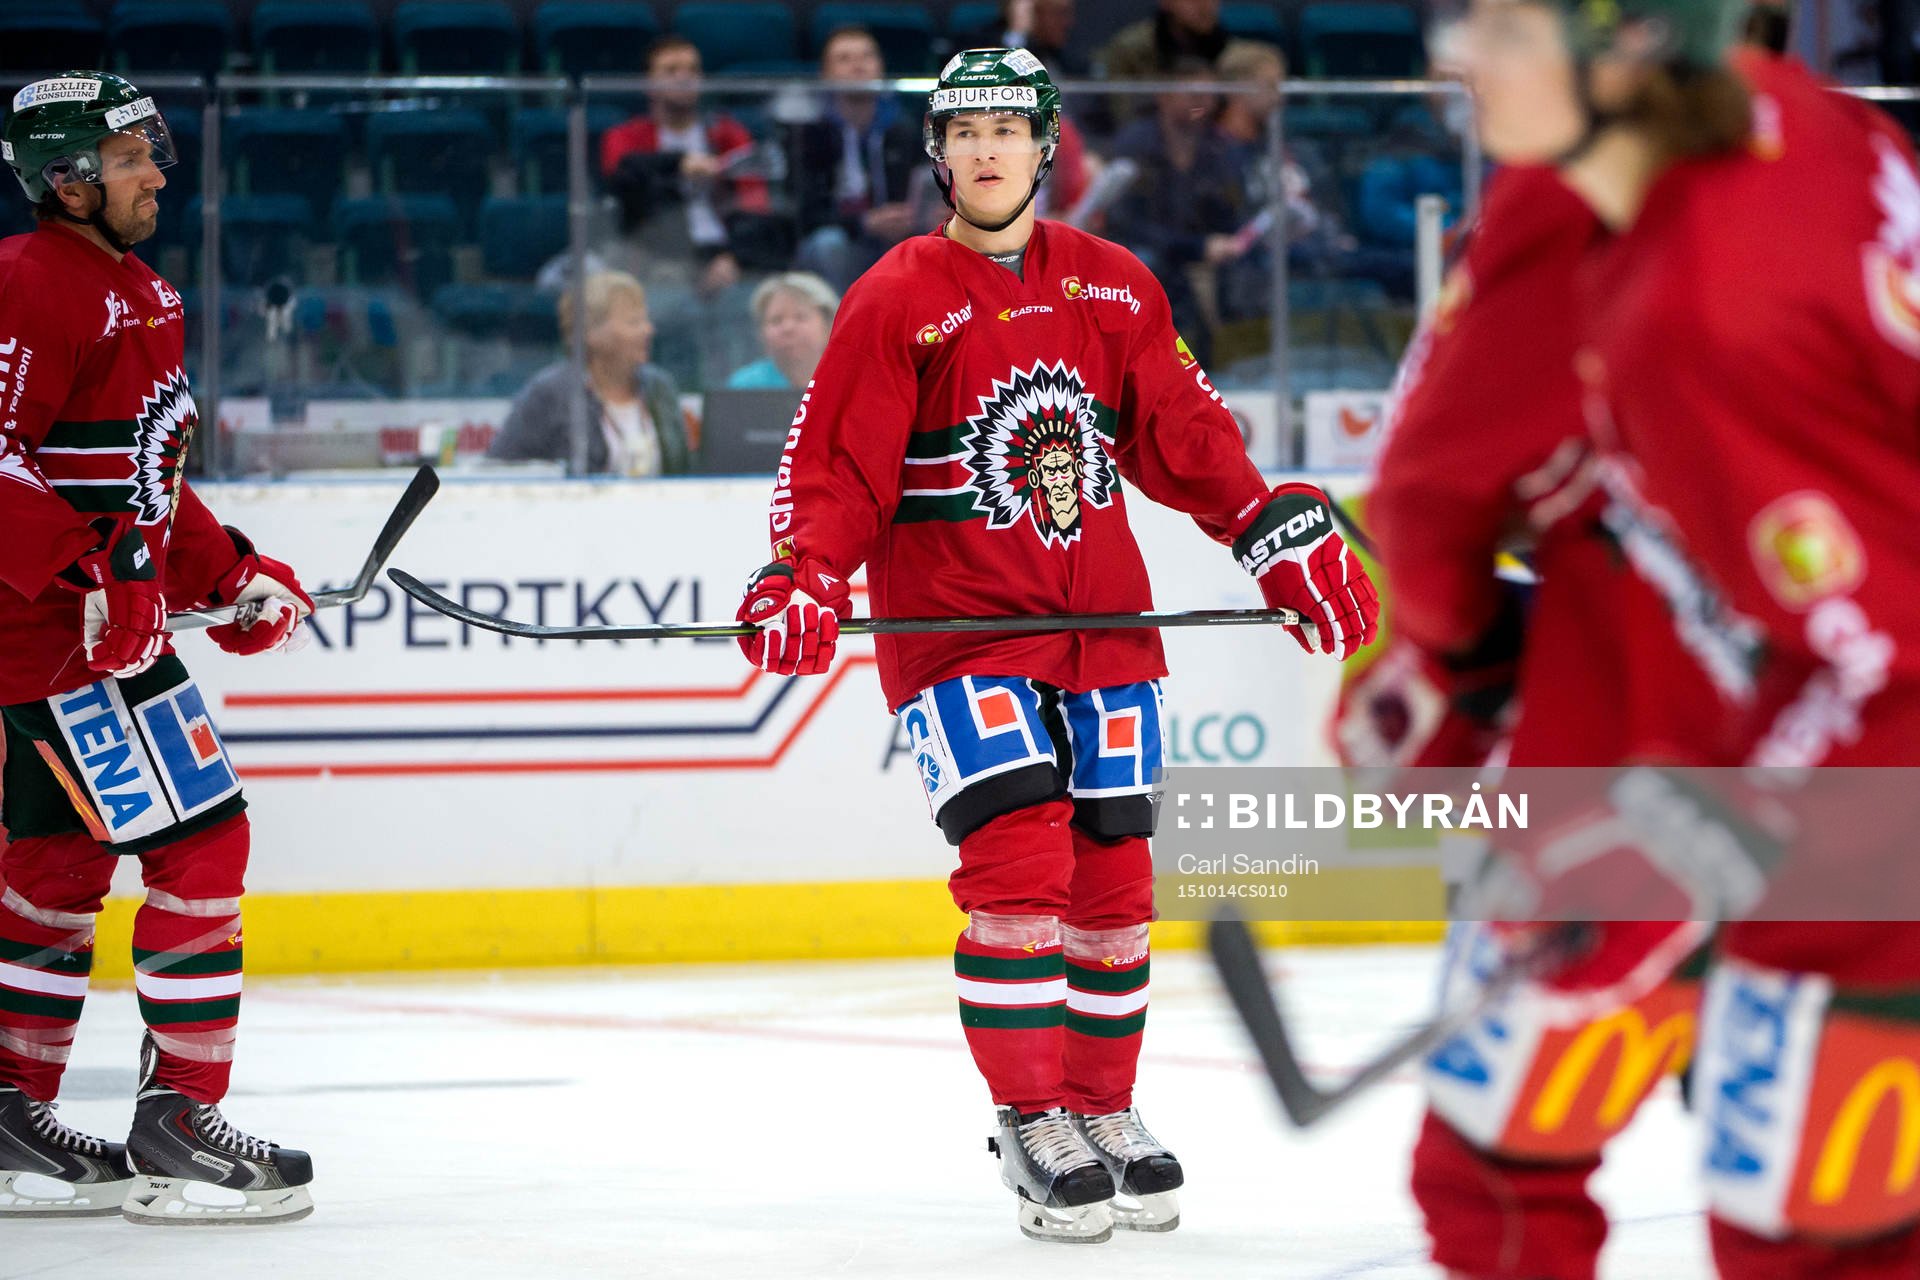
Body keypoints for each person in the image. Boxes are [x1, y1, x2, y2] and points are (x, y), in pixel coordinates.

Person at [730, 48, 1378, 1244]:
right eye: (963, 129)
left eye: (1006, 129)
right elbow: (836, 468)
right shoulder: (895, 294)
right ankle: (1033, 1115)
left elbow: (1183, 430)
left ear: (1045, 146)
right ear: (939, 153)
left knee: (1116, 885)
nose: (985, 149)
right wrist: (804, 573)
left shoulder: (1115, 285)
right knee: (1020, 876)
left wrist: (1266, 526)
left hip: (1106, 633)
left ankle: (1102, 1105)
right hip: (961, 634)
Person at [1416, 0, 1920, 1274]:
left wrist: (1715, 821)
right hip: (1772, 758)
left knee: (1812, 1235)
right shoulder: (1806, 132)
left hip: (1868, 825)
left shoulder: (1710, 314)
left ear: (1632, 47)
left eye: (1505, 30)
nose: (1457, 59)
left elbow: (1884, 657)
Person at [0, 72, 316, 1223]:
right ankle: (180, 1118)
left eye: (153, 150)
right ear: (66, 174)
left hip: (82, 633)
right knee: (206, 839)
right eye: (130, 155)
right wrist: (95, 572)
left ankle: (6, 1109)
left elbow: (143, 480)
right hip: (59, 642)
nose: (156, 171)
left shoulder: (141, 290)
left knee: (58, 868)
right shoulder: (26, 282)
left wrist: (227, 569)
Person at [600, 35, 774, 295]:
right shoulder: (625, 137)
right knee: (668, 281)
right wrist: (679, 163)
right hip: (658, 252)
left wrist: (734, 257)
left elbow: (755, 202)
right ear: (649, 84)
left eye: (692, 69)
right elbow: (622, 170)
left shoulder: (728, 134)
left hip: (724, 252)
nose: (684, 77)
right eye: (671, 70)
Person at [1104, 58, 1245, 367]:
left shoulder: (1220, 148)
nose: (1203, 104)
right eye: (1193, 95)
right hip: (1147, 251)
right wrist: (1195, 247)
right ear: (1164, 96)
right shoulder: (1135, 144)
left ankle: (1233, 371)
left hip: (1202, 254)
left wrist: (1224, 242)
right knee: (1147, 266)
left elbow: (1229, 211)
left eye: (1209, 96)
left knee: (1250, 269)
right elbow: (1126, 223)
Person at [489, 271, 691, 476]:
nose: (648, 330)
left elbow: (683, 473)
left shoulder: (660, 387)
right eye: (634, 322)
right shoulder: (550, 393)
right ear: (591, 333)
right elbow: (497, 471)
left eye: (646, 320)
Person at [785, 27, 927, 291]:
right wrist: (864, 223)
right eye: (844, 59)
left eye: (866, 56)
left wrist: (912, 217)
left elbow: (925, 190)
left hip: (898, 239)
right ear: (825, 74)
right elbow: (803, 213)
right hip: (842, 241)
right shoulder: (810, 135)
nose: (858, 66)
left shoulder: (904, 129)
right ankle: (843, 326)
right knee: (829, 244)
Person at [1097, 0, 1268, 122]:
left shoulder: (1234, 55)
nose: (1205, 5)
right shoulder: (1129, 51)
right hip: (1151, 151)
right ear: (1166, 2)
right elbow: (1124, 115)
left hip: (1216, 151)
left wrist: (1194, 113)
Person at [726, 272, 837, 390]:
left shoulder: (851, 379)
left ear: (829, 325)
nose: (788, 328)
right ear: (761, 333)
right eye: (776, 320)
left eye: (800, 317)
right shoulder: (744, 386)